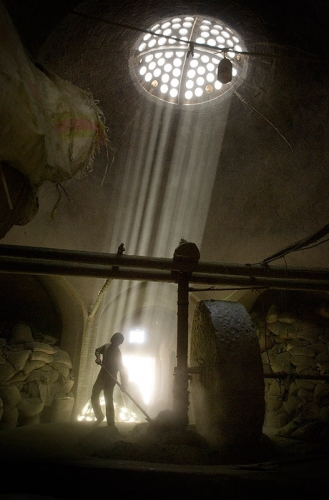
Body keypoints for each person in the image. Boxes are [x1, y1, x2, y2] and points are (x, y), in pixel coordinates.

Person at [91, 332, 128, 426]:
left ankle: (111, 424)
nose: (116, 343)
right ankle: (99, 416)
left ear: (120, 343)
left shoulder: (118, 354)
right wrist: (98, 358)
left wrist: (123, 384)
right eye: (116, 340)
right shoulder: (106, 347)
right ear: (113, 339)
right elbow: (97, 350)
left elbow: (122, 370)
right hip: (102, 375)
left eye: (119, 342)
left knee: (108, 399)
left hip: (111, 379)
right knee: (94, 395)